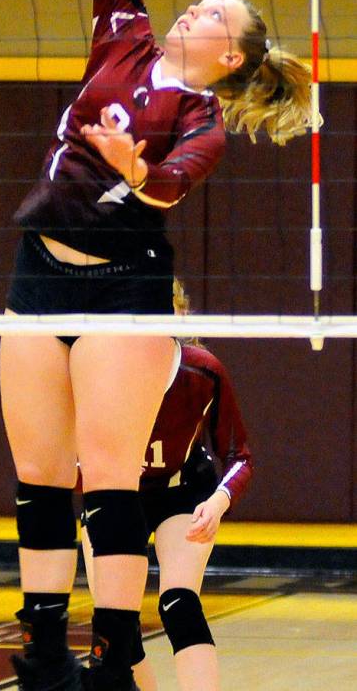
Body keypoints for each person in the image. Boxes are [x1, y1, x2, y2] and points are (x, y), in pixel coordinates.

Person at [0, 0, 310, 691]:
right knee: (38, 475)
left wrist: (139, 173)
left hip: (122, 285)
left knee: (105, 472)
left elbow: (174, 184)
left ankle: (114, 655)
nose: (192, 13)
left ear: (233, 55)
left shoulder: (206, 118)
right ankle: (46, 653)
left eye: (214, 15)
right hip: (38, 269)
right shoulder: (123, 35)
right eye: (198, 3)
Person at [82, 282, 254, 691]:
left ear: (178, 316)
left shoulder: (203, 371)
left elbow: (240, 455)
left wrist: (219, 500)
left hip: (184, 490)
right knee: (117, 619)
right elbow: (77, 460)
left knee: (179, 602)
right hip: (119, 492)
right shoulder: (97, 371)